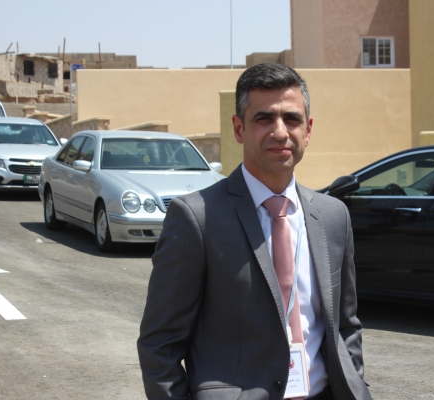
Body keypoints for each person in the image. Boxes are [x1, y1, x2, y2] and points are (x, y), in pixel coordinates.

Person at [137, 63, 372, 400]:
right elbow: (160, 344)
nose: (280, 132)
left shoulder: (333, 216)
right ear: (239, 128)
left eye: (291, 119)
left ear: (308, 130)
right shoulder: (196, 218)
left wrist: (354, 383)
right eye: (264, 118)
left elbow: (345, 325)